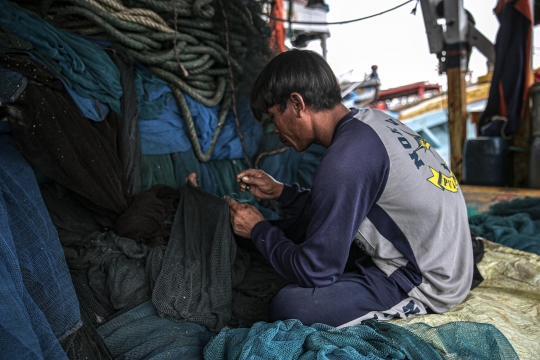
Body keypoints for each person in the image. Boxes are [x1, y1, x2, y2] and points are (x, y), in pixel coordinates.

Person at [228, 49, 474, 328]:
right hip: (448, 254)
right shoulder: (370, 123)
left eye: (274, 115)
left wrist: (259, 231)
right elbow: (340, 206)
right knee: (291, 229)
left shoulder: (344, 159)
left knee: (290, 307)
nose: (275, 129)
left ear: (297, 103)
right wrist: (281, 192)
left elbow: (315, 271)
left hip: (429, 280)